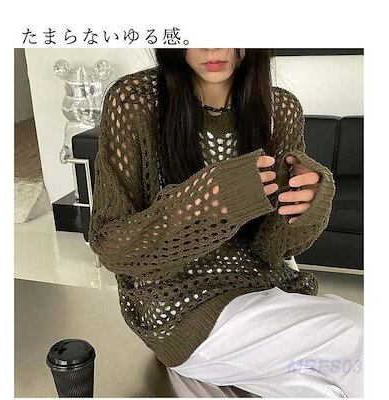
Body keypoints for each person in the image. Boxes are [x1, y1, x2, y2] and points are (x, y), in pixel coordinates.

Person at [88, 49, 363, 398]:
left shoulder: (281, 109)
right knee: (362, 335)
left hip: (265, 292)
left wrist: (306, 206)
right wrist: (205, 202)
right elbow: (112, 246)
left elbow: (273, 249)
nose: (214, 47)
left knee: (330, 389)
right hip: (181, 313)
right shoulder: (135, 102)